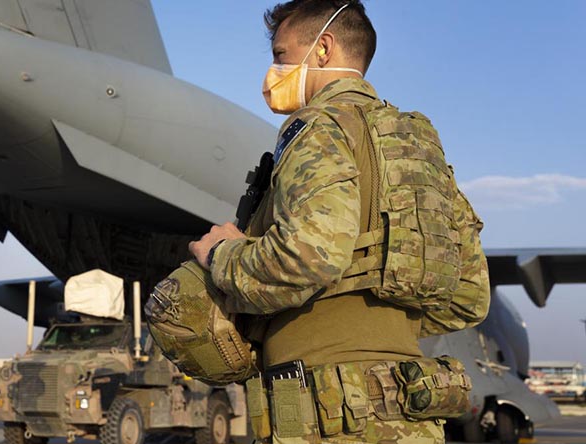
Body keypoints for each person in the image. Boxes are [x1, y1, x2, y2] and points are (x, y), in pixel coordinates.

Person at [188, 1, 489, 443]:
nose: (273, 71)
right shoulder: (418, 147)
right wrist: (379, 316)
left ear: (323, 49)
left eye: (281, 55)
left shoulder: (318, 127)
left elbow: (307, 258)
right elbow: (470, 295)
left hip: (326, 415)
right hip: (412, 416)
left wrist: (222, 254)